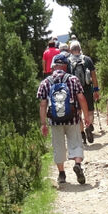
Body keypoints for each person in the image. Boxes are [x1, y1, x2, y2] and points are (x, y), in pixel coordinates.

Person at [37, 52, 91, 185]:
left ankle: (61, 174)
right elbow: (82, 99)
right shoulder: (73, 79)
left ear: (53, 67)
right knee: (76, 142)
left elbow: (43, 104)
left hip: (54, 121)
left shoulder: (45, 83)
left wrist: (43, 123)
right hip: (72, 118)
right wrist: (86, 116)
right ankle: (77, 164)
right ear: (65, 67)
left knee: (58, 146)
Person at [68, 40, 98, 143]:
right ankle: (88, 126)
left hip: (75, 91)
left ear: (70, 50)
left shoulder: (68, 62)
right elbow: (93, 75)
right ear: (80, 49)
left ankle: (82, 133)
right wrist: (96, 89)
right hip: (87, 89)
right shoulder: (87, 59)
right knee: (89, 110)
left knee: (78, 112)